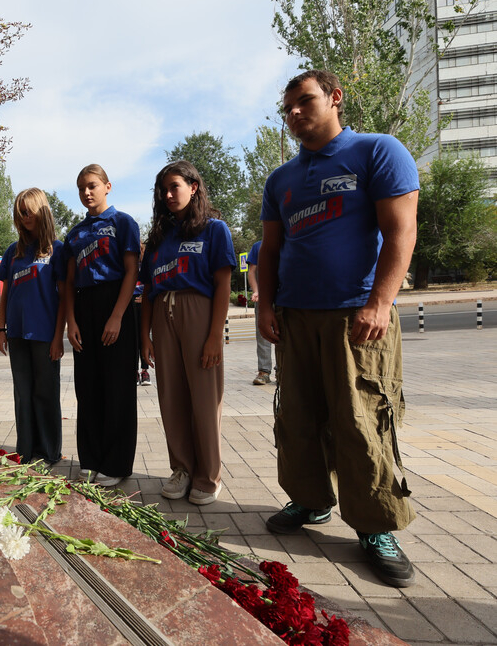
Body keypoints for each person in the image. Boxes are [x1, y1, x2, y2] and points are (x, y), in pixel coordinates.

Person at [257, 70, 419, 587]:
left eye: (305, 102)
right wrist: (266, 306)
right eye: (288, 109)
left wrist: (380, 303)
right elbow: (271, 252)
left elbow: (401, 232)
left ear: (335, 98)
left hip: (357, 317)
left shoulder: (377, 151)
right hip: (295, 318)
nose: (295, 114)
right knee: (298, 417)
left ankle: (375, 526)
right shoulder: (281, 180)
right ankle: (309, 500)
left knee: (360, 421)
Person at [139, 161, 235, 505]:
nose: (167, 195)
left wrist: (214, 336)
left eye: (174, 186)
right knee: (172, 398)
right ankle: (181, 468)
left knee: (205, 400)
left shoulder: (214, 230)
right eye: (162, 190)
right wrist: (145, 336)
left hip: (199, 312)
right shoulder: (158, 240)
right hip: (163, 316)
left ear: (193, 187)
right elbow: (148, 289)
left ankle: (208, 475)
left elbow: (223, 283)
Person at [64, 164, 140, 487]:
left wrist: (117, 315)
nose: (87, 192)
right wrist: (71, 321)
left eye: (92, 185)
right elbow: (67, 282)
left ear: (107, 186)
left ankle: (117, 463)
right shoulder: (75, 234)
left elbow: (132, 271)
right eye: (81, 187)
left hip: (116, 304)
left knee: (117, 387)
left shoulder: (123, 223)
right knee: (88, 386)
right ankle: (91, 459)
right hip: (84, 307)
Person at [0, 188, 66, 465]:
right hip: (16, 334)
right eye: (19, 212)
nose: (24, 216)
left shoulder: (57, 250)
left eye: (29, 210)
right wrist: (1, 329)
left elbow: (63, 296)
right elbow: (5, 292)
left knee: (45, 394)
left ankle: (49, 452)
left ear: (41, 211)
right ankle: (25, 450)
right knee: (23, 394)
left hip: (45, 335)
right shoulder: (13, 252)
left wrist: (58, 337)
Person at [246, 240, 273, 385]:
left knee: (286, 335)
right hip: (263, 298)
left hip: (286, 298)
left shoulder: (290, 241)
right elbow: (252, 271)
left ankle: (283, 371)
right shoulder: (258, 246)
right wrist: (257, 291)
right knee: (263, 335)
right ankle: (264, 372)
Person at [132, 278, 151, 386]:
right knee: (132, 338)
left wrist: (146, 297)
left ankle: (145, 371)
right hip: (130, 298)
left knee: (143, 337)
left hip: (144, 298)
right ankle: (134, 371)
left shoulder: (145, 263)